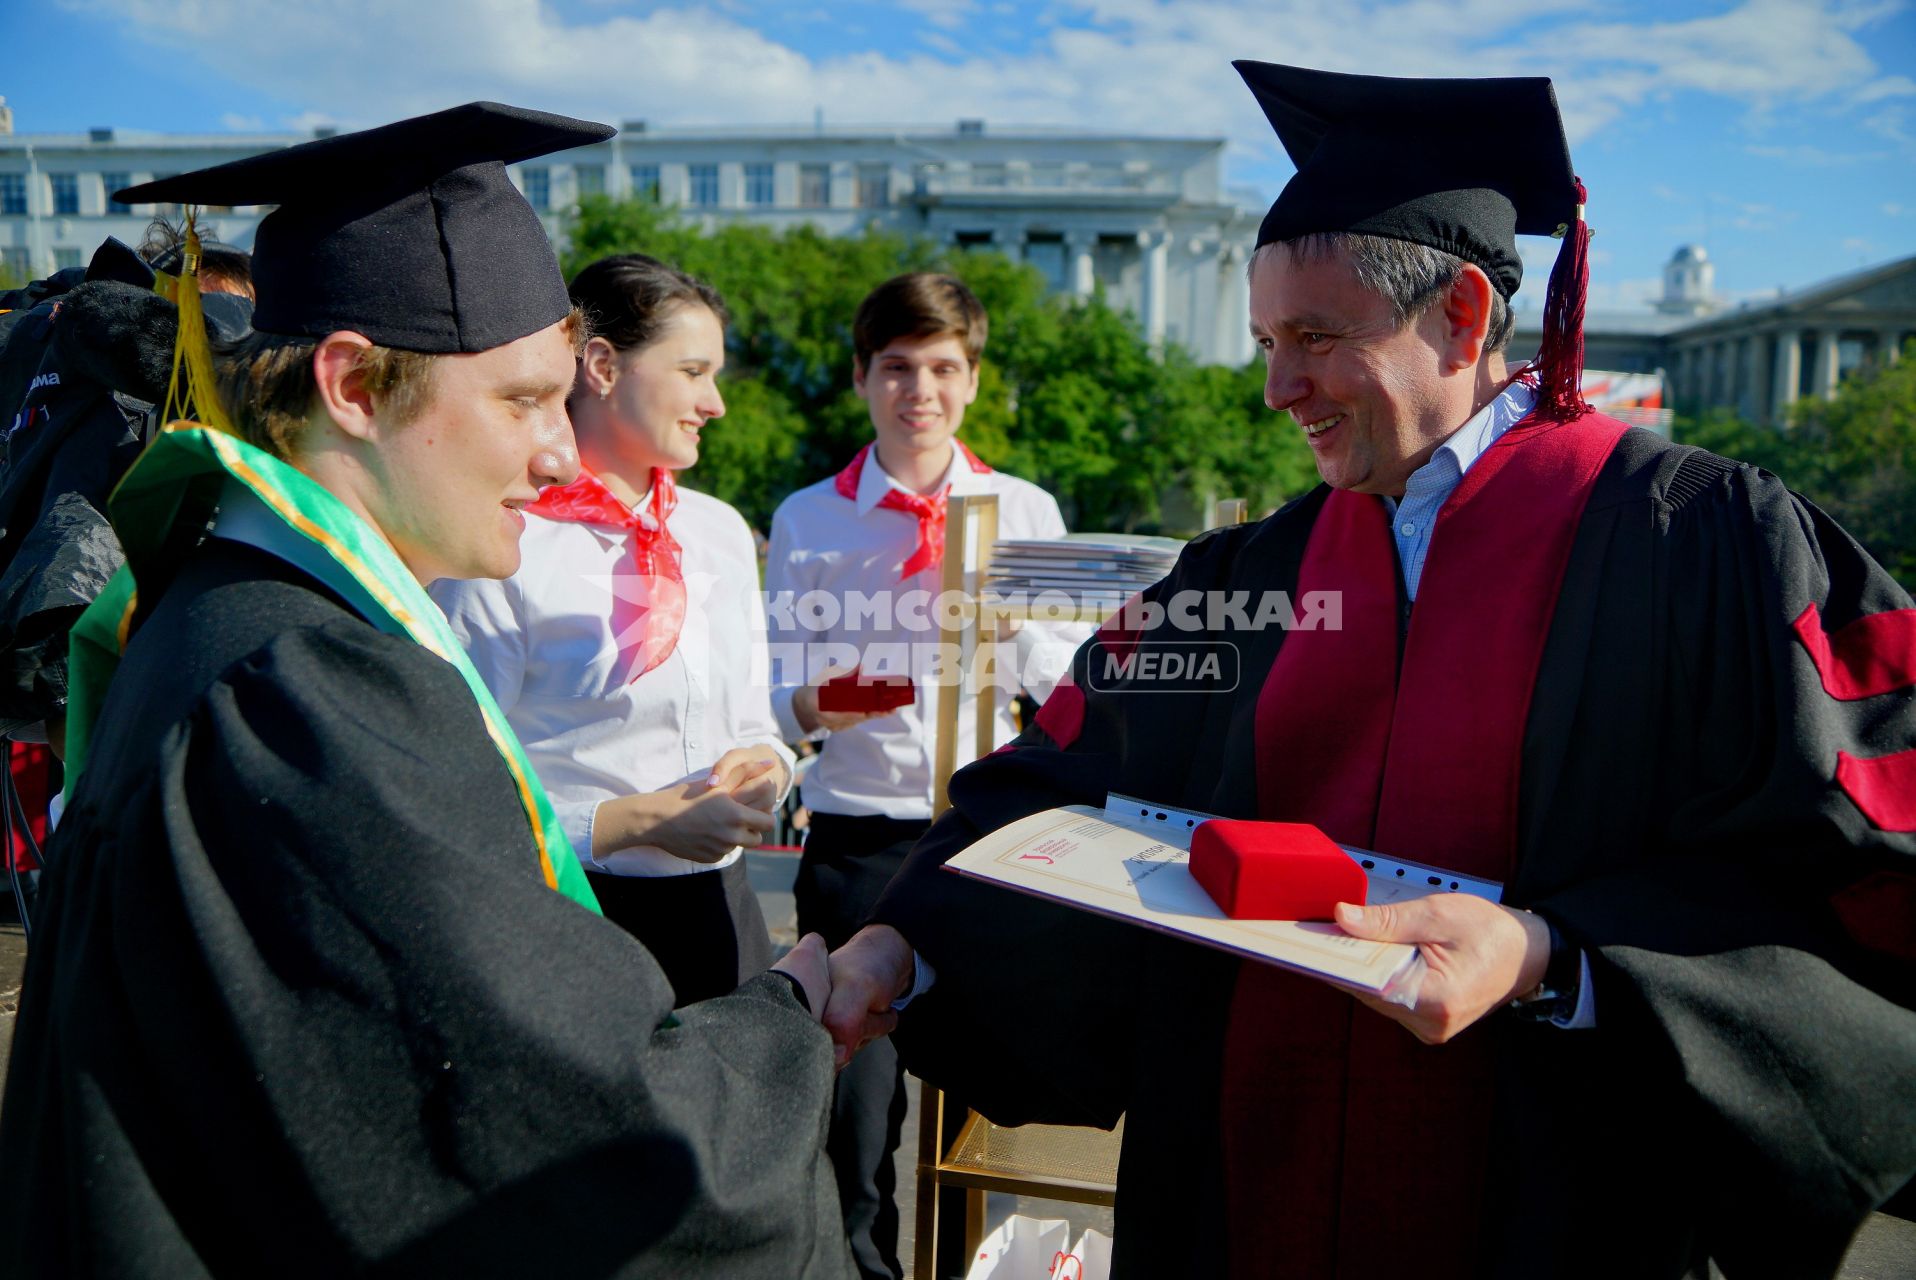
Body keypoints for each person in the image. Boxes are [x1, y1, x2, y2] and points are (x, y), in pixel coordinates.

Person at [824, 64, 1916, 1279]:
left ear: (1457, 313)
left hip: (1554, 1212)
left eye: (1314, 339)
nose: (1276, 385)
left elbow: (1847, 873)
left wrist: (1551, 957)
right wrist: (906, 943)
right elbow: (1060, 777)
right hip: (1242, 1197)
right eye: (1265, 341)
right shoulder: (1242, 574)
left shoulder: (1699, 548)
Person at [0, 103, 852, 1278]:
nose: (559, 452)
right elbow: (564, 1140)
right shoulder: (301, 693)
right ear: (352, 384)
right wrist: (792, 1017)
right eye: (519, 400)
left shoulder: (224, 610)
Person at [764, 272, 1082, 1280]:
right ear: (861, 376)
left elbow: (1067, 680)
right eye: (896, 366)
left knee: (990, 1110)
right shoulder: (809, 517)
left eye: (943, 366)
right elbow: (770, 697)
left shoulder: (1022, 507)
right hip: (860, 840)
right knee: (855, 1128)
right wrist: (838, 694)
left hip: (982, 838)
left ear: (973, 381)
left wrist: (1015, 642)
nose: (920, 389)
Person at [433, 253, 792, 1007]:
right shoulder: (506, 545)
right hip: (578, 921)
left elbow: (759, 723)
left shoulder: (719, 531)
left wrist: (767, 769)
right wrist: (632, 822)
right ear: (599, 364)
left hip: (728, 915)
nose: (716, 402)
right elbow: (463, 790)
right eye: (694, 371)